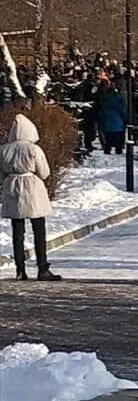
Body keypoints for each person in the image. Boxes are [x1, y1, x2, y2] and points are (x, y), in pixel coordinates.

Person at [1, 115, 61, 281]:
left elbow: (2, 173)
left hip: (12, 186)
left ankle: (20, 270)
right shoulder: (33, 149)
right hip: (32, 187)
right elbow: (44, 172)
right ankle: (42, 268)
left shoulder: (5, 149)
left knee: (17, 231)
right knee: (39, 229)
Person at [97, 81, 127, 154]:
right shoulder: (118, 97)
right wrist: (125, 120)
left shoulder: (105, 98)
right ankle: (118, 149)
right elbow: (122, 111)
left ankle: (107, 149)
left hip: (108, 121)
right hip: (118, 121)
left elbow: (101, 110)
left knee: (108, 138)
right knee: (118, 137)